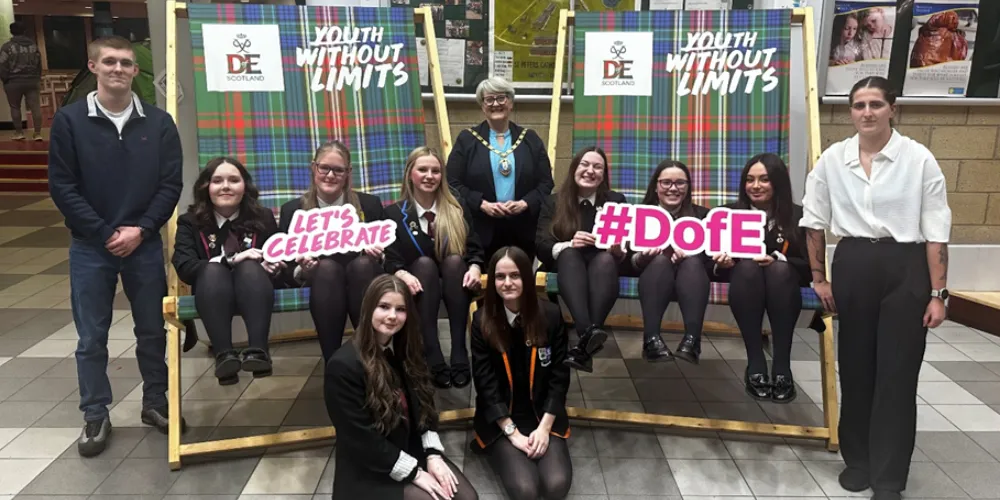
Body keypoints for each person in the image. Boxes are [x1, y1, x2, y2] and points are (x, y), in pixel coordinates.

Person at [800, 76, 951, 500]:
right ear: (850, 111)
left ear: (892, 109)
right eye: (858, 105)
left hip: (905, 266)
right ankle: (859, 461)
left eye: (875, 104)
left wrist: (938, 293)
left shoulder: (919, 160)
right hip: (853, 265)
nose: (866, 112)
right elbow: (813, 221)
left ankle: (889, 476)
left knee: (897, 374)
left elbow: (937, 231)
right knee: (856, 367)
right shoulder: (833, 160)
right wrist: (818, 277)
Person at [48, 35, 185, 457]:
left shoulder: (159, 124)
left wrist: (141, 231)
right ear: (93, 67)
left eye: (126, 63)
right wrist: (107, 233)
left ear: (134, 70)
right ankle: (95, 414)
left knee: (151, 331)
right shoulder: (69, 122)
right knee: (92, 337)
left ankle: (156, 403)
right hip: (91, 247)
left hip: (142, 246)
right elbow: (63, 187)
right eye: (110, 62)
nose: (119, 69)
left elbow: (170, 186)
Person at [324, 274, 479, 500]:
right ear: (368, 309)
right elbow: (362, 439)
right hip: (369, 468)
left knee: (467, 497)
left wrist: (433, 455)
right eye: (384, 307)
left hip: (409, 450)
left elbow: (425, 408)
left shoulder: (406, 350)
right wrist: (415, 473)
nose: (392, 316)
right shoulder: (342, 365)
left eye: (400, 309)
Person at [470, 246, 572, 500]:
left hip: (542, 414)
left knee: (556, 485)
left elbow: (560, 377)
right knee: (526, 491)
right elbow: (485, 385)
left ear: (527, 277)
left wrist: (544, 429)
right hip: (502, 419)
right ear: (492, 281)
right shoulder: (482, 320)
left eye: (515, 275)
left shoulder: (550, 315)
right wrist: (512, 433)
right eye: (500, 277)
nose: (507, 283)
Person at [172, 157, 284, 386]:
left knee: (251, 267)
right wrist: (230, 260)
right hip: (211, 292)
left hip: (255, 288)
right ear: (206, 187)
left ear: (245, 187)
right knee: (213, 270)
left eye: (234, 180)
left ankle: (259, 352)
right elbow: (184, 267)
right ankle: (224, 357)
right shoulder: (189, 222)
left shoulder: (262, 218)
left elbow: (280, 258)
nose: (225, 186)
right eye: (217, 180)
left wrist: (272, 265)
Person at [711, 153, 810, 403]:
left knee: (778, 270)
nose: (755, 186)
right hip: (743, 282)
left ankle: (781, 365)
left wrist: (780, 260)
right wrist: (722, 262)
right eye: (750, 179)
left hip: (785, 284)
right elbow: (706, 261)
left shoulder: (801, 217)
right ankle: (755, 360)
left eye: (764, 179)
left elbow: (811, 267)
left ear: (777, 182)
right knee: (747, 267)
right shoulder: (725, 214)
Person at [384, 146, 485, 389]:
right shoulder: (394, 214)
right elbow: (391, 257)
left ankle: (459, 350)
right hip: (417, 283)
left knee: (453, 262)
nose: (430, 176)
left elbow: (474, 248)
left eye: (436, 171)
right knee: (425, 265)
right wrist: (402, 273)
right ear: (410, 173)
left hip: (456, 281)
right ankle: (432, 352)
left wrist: (474, 267)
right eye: (423, 170)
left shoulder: (457, 208)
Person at [279, 140, 386, 363]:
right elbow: (285, 269)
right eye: (324, 168)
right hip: (322, 282)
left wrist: (379, 253)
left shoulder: (370, 205)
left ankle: (370, 355)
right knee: (326, 268)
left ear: (348, 173)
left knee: (363, 265)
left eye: (338, 170)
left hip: (363, 277)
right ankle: (333, 361)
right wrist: (302, 268)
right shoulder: (293, 210)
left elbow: (391, 255)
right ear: (313, 167)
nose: (330, 175)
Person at [536, 146, 626, 373]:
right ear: (574, 168)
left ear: (604, 175)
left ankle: (583, 345)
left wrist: (618, 249)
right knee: (569, 254)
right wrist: (569, 243)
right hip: (566, 265)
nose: (590, 171)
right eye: (584, 165)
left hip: (602, 266)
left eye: (597, 167)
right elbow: (541, 244)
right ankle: (588, 331)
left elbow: (628, 247)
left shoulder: (616, 201)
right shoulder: (553, 202)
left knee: (606, 261)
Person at [446, 76, 555, 263]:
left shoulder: (529, 138)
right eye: (489, 99)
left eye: (501, 98)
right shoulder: (467, 140)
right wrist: (482, 204)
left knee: (519, 281)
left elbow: (546, 183)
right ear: (482, 106)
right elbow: (451, 183)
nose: (495, 104)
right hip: (480, 229)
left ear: (511, 103)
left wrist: (525, 203)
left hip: (523, 228)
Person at [628, 161, 711, 364]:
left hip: (691, 277)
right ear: (656, 186)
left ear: (688, 187)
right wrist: (643, 257)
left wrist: (691, 255)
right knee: (659, 262)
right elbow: (627, 261)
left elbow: (709, 261)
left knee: (692, 263)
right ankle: (651, 339)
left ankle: (692, 341)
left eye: (680, 183)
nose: (673, 188)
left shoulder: (703, 216)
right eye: (666, 182)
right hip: (651, 276)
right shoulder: (638, 215)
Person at [0, 21, 43, 141]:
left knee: (15, 107)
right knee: (35, 107)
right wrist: (37, 77)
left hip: (13, 81)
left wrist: (5, 79)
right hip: (32, 80)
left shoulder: (7, 47)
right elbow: (39, 64)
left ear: (11, 31)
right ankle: (38, 133)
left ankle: (19, 133)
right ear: (25, 31)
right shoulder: (33, 46)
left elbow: (2, 64)